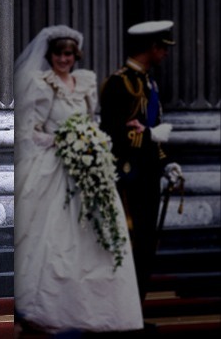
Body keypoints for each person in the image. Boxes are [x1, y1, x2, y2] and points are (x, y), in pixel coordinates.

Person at [13, 25, 143, 333]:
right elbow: (29, 131)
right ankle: (46, 309)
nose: (63, 59)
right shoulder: (40, 84)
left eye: (68, 54)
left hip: (89, 165)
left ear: (76, 56)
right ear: (51, 55)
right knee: (53, 237)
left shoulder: (84, 83)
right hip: (55, 166)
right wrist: (62, 139)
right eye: (58, 53)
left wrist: (91, 141)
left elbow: (92, 119)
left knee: (95, 235)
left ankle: (99, 307)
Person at [100, 20, 183, 302]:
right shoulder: (119, 83)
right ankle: (125, 307)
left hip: (148, 173)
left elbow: (149, 129)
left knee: (147, 244)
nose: (166, 54)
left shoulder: (148, 81)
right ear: (152, 47)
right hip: (128, 175)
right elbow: (114, 134)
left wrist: (166, 163)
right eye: (163, 48)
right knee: (132, 243)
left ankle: (137, 307)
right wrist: (148, 135)